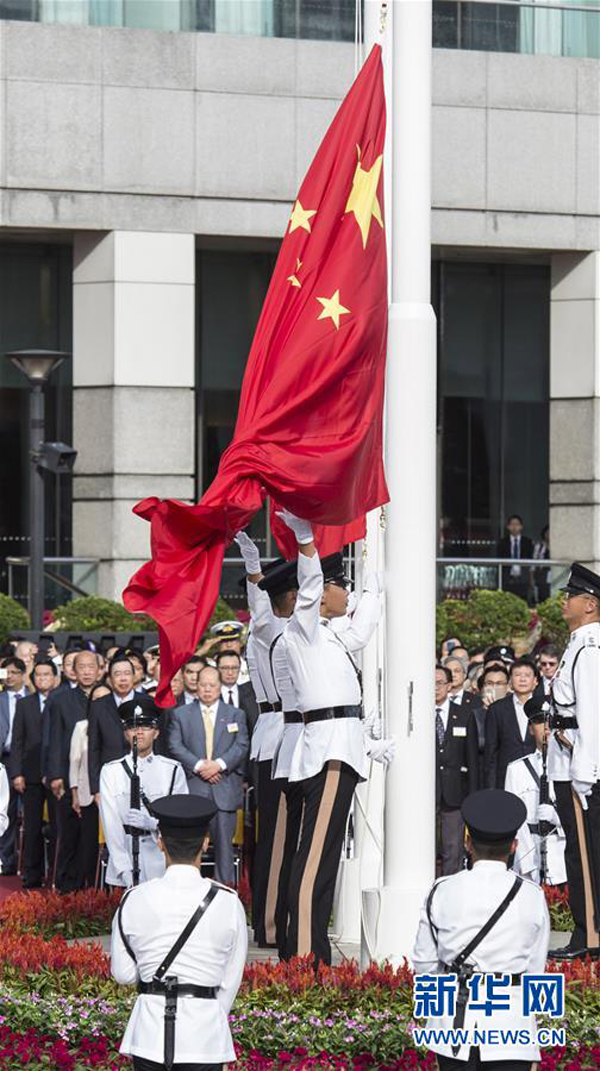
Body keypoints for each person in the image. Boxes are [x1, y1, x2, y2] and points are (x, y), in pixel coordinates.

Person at [277, 509, 394, 966]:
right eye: (338, 584)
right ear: (320, 593)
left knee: (320, 858)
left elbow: (363, 625)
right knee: (313, 861)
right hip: (325, 752)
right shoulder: (300, 632)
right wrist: (306, 543)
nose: (343, 591)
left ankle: (306, 950)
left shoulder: (329, 635)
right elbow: (307, 592)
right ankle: (305, 956)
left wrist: (370, 574)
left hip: (340, 746)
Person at [412, 788, 550, 1070]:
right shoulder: (532, 896)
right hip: (512, 1032)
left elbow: (425, 966)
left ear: (467, 842)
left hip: (452, 1029)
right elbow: (535, 973)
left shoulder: (441, 891)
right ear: (514, 845)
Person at [111, 794, 247, 1071]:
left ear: (160, 842)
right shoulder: (229, 902)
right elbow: (230, 982)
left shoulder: (132, 899)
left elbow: (123, 975)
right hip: (205, 1038)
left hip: (148, 1036)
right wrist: (204, 1015)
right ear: (206, 843)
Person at [235, 530, 300, 948]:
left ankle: (281, 918)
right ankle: (271, 924)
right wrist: (254, 569)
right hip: (276, 735)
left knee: (288, 837)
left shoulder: (293, 629)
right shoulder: (268, 629)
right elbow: (260, 612)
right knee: (276, 839)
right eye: (293, 594)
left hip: (293, 734)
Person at [548, 562, 600, 960]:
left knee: (585, 853)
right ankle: (586, 931)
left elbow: (592, 715)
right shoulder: (578, 643)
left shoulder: (591, 645)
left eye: (572, 596)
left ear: (590, 604)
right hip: (565, 760)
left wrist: (586, 772)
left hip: (579, 765)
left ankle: (591, 937)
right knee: (575, 851)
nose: (564, 601)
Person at [169, 665, 249, 886]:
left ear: (220, 686)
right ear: (196, 686)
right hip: (194, 788)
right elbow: (175, 745)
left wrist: (219, 765)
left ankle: (227, 890)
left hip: (224, 788)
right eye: (203, 685)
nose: (207, 690)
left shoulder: (235, 714)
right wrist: (200, 766)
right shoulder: (181, 714)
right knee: (190, 844)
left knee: (225, 846)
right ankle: (189, 889)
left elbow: (241, 745)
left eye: (212, 685)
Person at [99, 696, 187, 888]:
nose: (139, 732)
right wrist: (124, 869)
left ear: (156, 733)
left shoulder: (172, 769)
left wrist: (154, 824)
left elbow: (180, 818)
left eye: (146, 727)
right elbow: (110, 823)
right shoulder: (111, 771)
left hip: (161, 857)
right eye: (132, 727)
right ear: (125, 733)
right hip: (126, 856)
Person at [46, 649, 101, 892]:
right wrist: (56, 775)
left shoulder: (105, 697)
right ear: (73, 671)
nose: (87, 671)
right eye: (82, 667)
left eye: (92, 667)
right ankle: (68, 887)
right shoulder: (61, 699)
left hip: (98, 778)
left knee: (92, 837)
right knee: (69, 834)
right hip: (70, 777)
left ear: (100, 669)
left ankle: (92, 886)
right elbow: (54, 739)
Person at [505, 695, 566, 886]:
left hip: (563, 859)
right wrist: (527, 865)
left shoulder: (569, 765)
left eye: (550, 720)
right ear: (531, 729)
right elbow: (514, 820)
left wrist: (559, 819)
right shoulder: (517, 769)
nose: (546, 727)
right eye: (539, 721)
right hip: (530, 860)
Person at [10, 659, 58, 888]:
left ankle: (58, 872)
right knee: (32, 826)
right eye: (38, 675)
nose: (42, 679)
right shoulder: (25, 704)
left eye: (47, 674)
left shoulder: (61, 700)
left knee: (58, 826)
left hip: (56, 773)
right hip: (29, 774)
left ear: (55, 678)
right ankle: (32, 873)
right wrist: (16, 772)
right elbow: (17, 740)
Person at [435, 666, 479, 874]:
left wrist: (472, 795)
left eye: (439, 683)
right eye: (431, 683)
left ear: (449, 685)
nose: (435, 688)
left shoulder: (463, 714)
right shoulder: (416, 714)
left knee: (452, 848)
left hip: (455, 792)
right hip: (427, 791)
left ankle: (449, 892)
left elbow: (471, 757)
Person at [88, 655, 137, 800]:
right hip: (110, 778)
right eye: (117, 674)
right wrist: (96, 788)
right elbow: (94, 748)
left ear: (134, 676)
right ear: (109, 678)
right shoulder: (98, 706)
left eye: (127, 673)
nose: (123, 679)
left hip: (142, 775)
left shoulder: (147, 702)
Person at [484, 658, 538, 789]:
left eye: (527, 675)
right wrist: (492, 788)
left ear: (535, 681)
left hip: (537, 775)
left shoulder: (545, 707)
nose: (522, 679)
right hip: (507, 778)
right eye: (518, 675)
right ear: (510, 682)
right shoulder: (497, 709)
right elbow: (491, 752)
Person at [0, 656, 29, 874]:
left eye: (13, 672)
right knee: (5, 811)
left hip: (29, 760)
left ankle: (27, 861)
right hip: (3, 760)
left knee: (29, 812)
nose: (9, 677)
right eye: (5, 673)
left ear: (23, 674)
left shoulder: (32, 697)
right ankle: (6, 859)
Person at [216, 650, 259, 736]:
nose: (230, 673)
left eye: (234, 668)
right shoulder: (211, 696)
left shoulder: (252, 694)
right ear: (217, 669)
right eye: (225, 668)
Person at [497, 515, 533, 602]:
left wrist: (531, 579)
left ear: (521, 526)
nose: (515, 527)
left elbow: (531, 561)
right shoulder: (502, 542)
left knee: (523, 601)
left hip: (523, 577)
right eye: (512, 524)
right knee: (508, 601)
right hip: (508, 578)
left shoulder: (527, 542)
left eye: (517, 524)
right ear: (508, 527)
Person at [533, 524, 550, 603]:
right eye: (547, 533)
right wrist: (531, 577)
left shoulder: (557, 546)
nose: (549, 535)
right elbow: (533, 562)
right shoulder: (539, 546)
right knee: (542, 594)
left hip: (554, 572)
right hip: (542, 573)